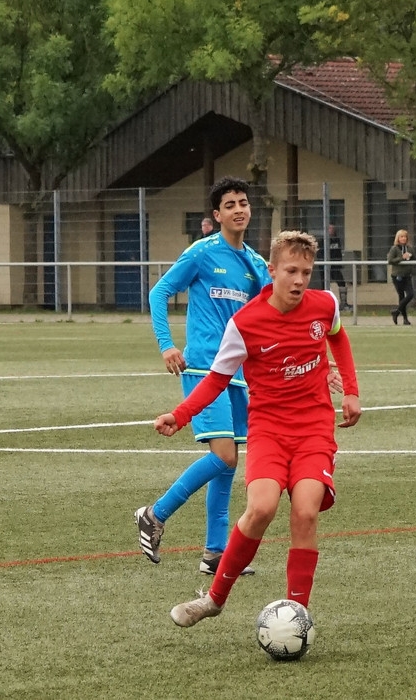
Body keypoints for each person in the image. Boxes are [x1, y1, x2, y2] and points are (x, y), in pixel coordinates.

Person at [160, 230, 362, 628]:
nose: (300, 280)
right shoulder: (246, 322)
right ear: (272, 270)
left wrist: (351, 391)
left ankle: (296, 616)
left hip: (314, 431)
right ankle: (214, 599)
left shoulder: (325, 305)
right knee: (261, 508)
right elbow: (216, 379)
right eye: (291, 271)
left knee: (305, 512)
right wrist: (180, 415)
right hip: (269, 430)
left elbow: (339, 338)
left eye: (306, 272)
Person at [138, 176, 271, 575]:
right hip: (203, 368)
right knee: (225, 455)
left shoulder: (256, 264)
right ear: (217, 215)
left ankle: (215, 553)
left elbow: (272, 315)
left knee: (227, 464)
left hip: (238, 373)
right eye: (230, 205)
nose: (239, 209)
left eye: (243, 203)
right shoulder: (201, 252)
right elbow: (159, 292)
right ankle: (154, 514)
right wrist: (167, 344)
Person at [387, 229, 414, 325]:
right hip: (397, 276)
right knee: (401, 296)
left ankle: (397, 311)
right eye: (401, 237)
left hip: (407, 275)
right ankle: (405, 319)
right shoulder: (394, 248)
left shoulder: (409, 248)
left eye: (405, 236)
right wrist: (402, 257)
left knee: (410, 294)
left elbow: (414, 259)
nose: (403, 238)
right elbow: (390, 260)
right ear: (398, 238)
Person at [326, 224, 352, 312]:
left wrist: (339, 262)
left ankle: (344, 303)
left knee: (341, 283)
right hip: (326, 267)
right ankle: (326, 304)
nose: (331, 230)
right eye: (329, 229)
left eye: (332, 229)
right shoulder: (323, 241)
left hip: (335, 266)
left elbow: (338, 252)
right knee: (325, 285)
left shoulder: (337, 240)